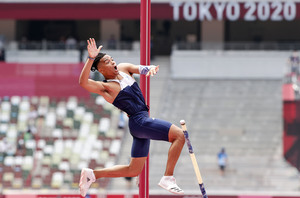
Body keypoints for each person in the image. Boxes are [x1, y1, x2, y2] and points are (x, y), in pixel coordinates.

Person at [78, 38, 185, 196]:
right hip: (139, 121)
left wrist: (150, 69)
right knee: (179, 136)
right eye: (107, 61)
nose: (112, 62)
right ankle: (167, 177)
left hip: (140, 123)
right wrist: (91, 58)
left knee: (133, 169)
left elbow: (139, 68)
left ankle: (92, 175)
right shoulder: (107, 88)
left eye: (111, 59)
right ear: (100, 69)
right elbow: (83, 82)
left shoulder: (123, 68)